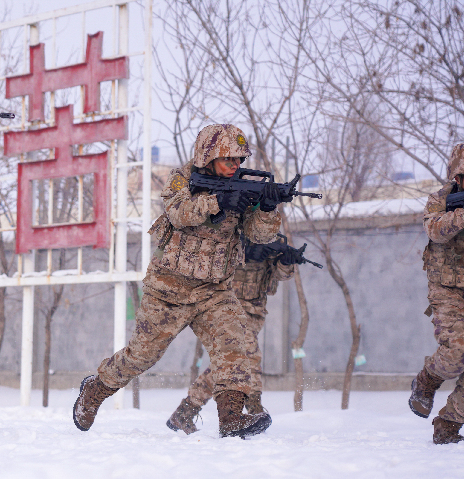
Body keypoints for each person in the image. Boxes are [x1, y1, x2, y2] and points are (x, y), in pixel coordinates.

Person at [73, 124, 283, 438]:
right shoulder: (183, 178)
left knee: (236, 345)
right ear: (208, 156)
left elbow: (259, 236)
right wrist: (218, 202)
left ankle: (231, 418)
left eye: (240, 160)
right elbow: (177, 213)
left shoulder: (243, 186)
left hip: (214, 291)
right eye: (228, 159)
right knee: (141, 356)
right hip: (168, 290)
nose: (235, 166)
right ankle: (95, 389)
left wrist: (267, 208)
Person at [167, 236, 301, 434]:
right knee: (249, 357)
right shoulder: (231, 230)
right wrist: (245, 251)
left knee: (228, 365)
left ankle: (184, 412)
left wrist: (286, 262)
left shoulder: (271, 239)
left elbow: (278, 276)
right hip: (226, 309)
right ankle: (254, 410)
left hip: (254, 314)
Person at [410, 142, 464, 445]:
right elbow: (435, 231)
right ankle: (427, 380)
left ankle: (448, 427)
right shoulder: (441, 199)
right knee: (460, 350)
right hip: (447, 290)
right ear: (458, 176)